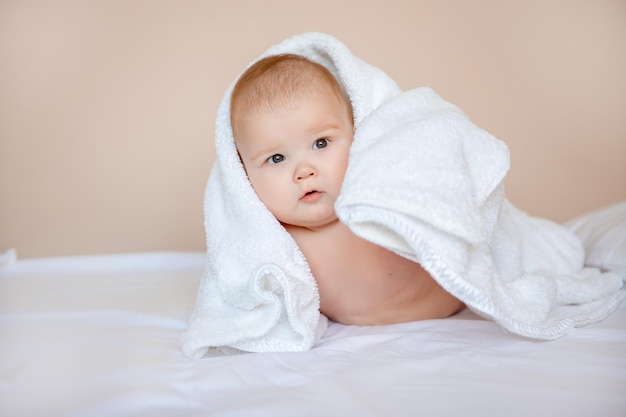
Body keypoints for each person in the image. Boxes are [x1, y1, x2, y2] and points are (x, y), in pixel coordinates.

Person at [230, 53, 465, 326]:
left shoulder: (382, 191)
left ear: (357, 135)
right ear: (243, 173)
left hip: (452, 297)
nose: (304, 172)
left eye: (321, 143)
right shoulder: (270, 243)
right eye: (277, 158)